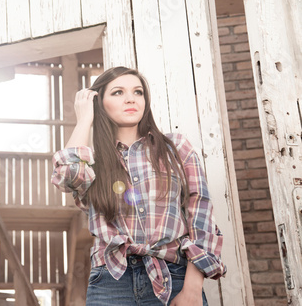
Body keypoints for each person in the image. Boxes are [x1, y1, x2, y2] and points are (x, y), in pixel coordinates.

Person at [51, 67, 226, 305]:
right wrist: (84, 120)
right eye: (118, 92)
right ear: (99, 102)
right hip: (111, 282)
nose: (131, 98)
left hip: (174, 277)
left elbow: (201, 216)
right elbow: (67, 176)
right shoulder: (92, 160)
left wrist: (193, 289)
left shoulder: (175, 148)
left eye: (138, 92)